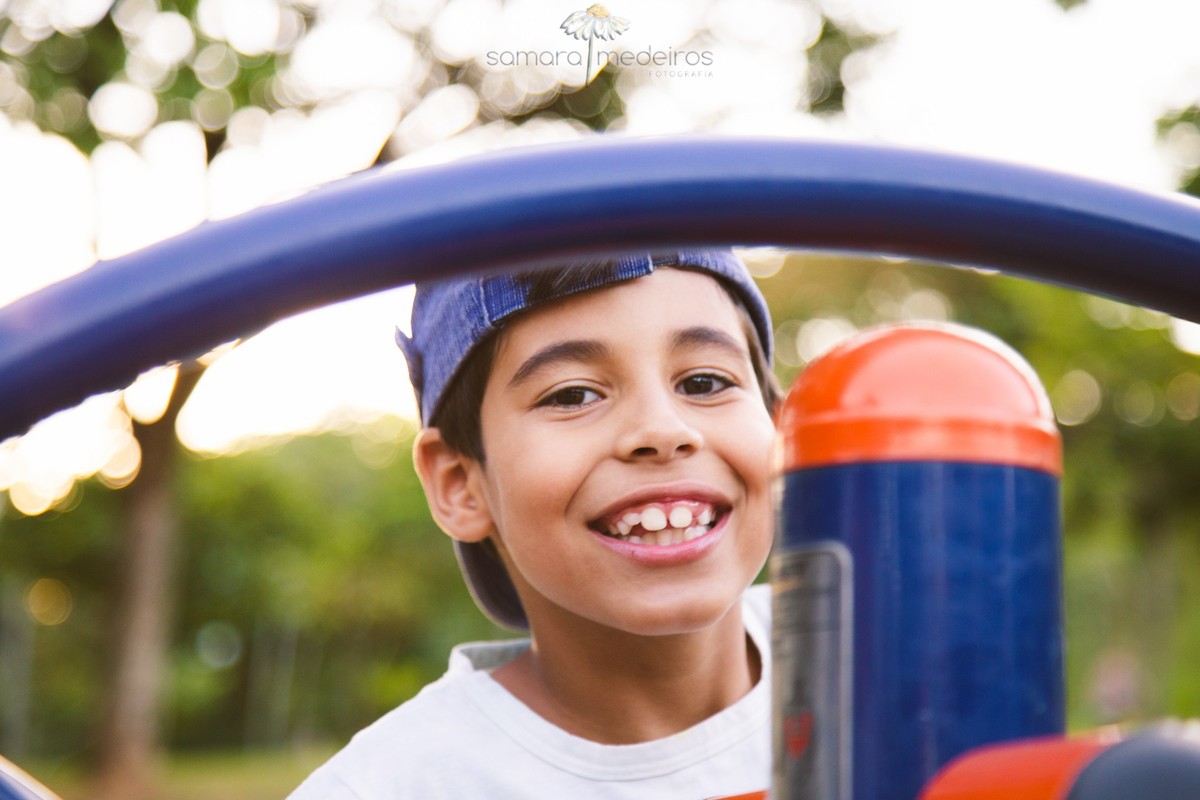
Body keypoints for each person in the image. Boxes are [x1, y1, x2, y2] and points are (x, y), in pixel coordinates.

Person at [287, 250, 782, 799]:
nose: (662, 429)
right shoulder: (389, 786)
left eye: (706, 382)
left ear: (784, 435)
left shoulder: (882, 656)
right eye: (572, 394)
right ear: (461, 485)